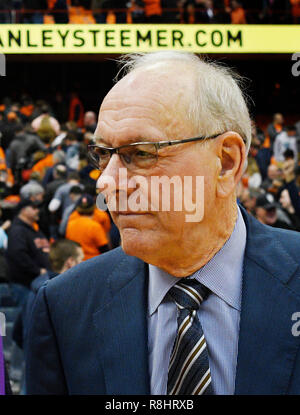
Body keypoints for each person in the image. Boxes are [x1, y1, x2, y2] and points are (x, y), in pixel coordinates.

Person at [26, 52, 300, 395]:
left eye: (140, 153)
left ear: (227, 163)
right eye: (103, 154)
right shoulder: (64, 307)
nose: (105, 182)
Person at [6, 199, 50, 305]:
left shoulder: (34, 229)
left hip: (37, 283)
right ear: (24, 211)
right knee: (28, 318)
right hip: (25, 285)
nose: (37, 210)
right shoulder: (17, 230)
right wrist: (38, 270)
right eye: (34, 208)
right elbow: (18, 255)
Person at [65, 194, 109, 260]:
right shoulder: (95, 225)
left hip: (77, 261)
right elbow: (104, 247)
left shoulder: (71, 223)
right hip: (95, 261)